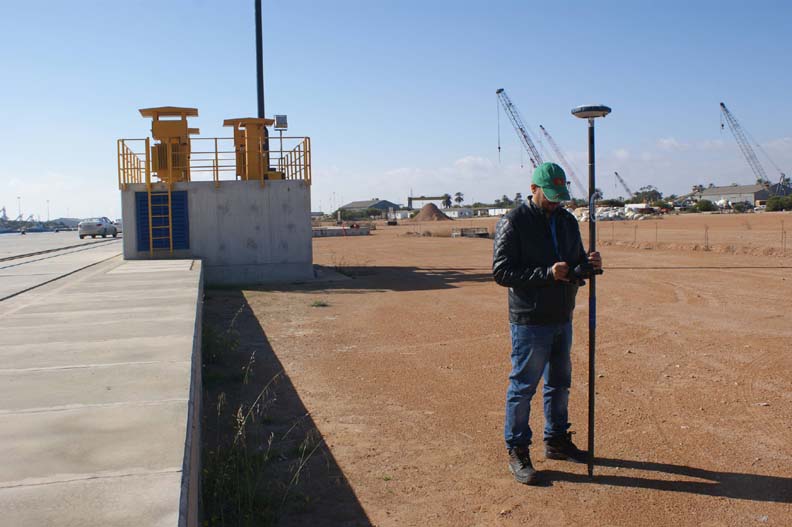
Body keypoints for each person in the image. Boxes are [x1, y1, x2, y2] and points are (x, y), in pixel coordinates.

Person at [492, 162, 602, 485]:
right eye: (550, 196)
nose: (556, 202)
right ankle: (517, 448)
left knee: (560, 382)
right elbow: (501, 272)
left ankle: (556, 439)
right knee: (524, 385)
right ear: (533, 189)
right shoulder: (513, 222)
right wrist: (546, 274)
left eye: (560, 196)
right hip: (530, 320)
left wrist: (589, 265)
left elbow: (576, 263)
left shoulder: (567, 221)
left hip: (561, 316)